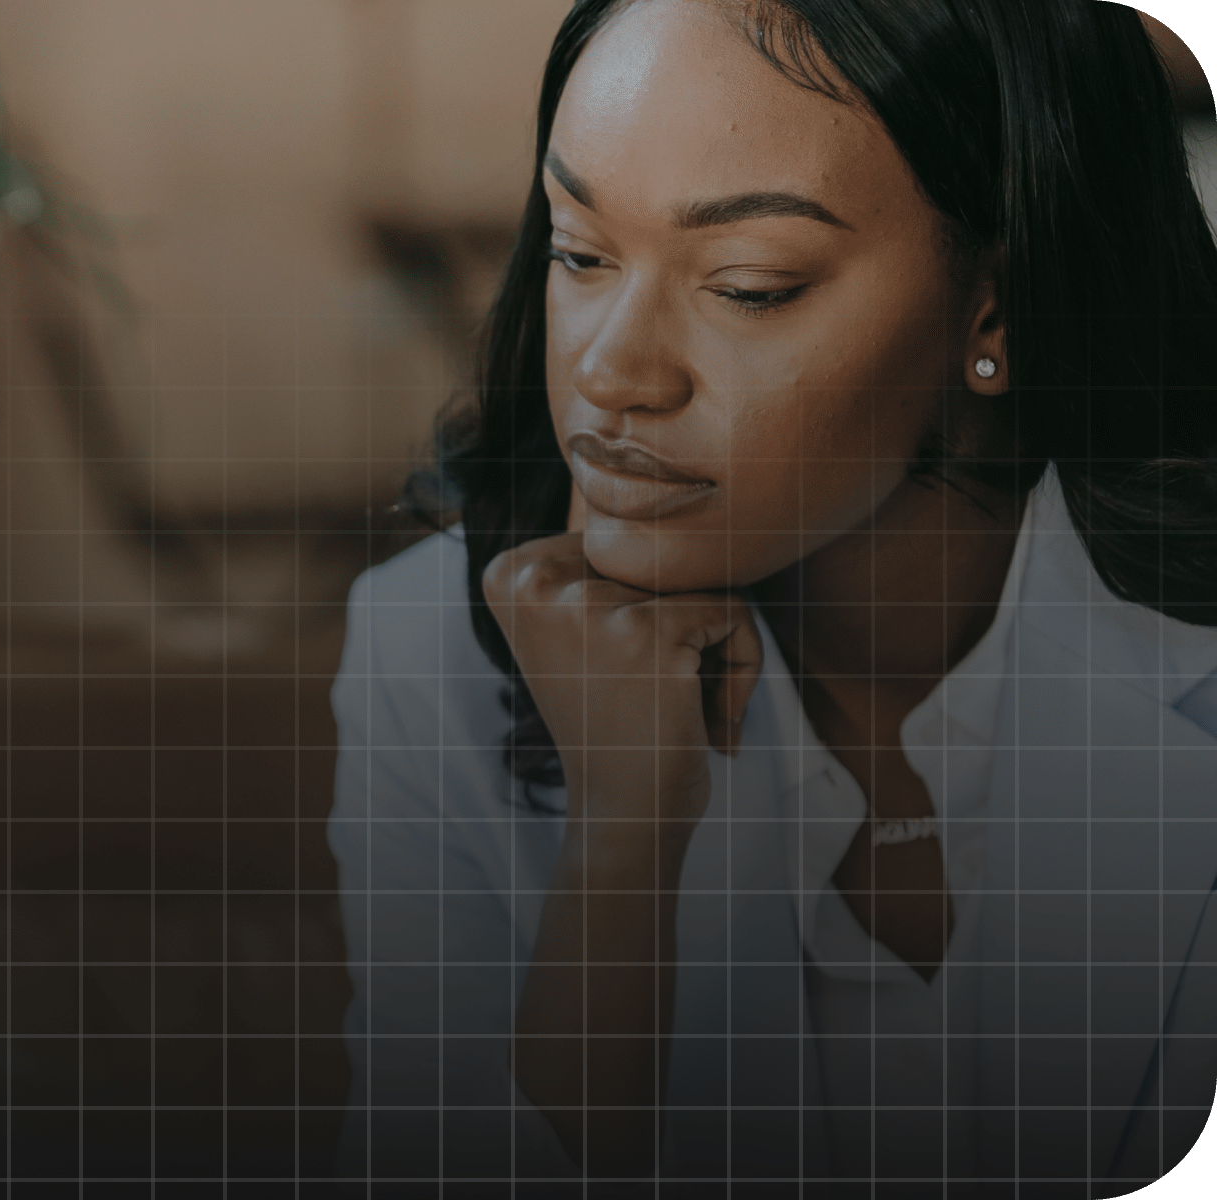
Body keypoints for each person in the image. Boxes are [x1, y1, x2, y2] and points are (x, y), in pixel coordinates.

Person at [329, 0, 1217, 1190]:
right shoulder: (429, 648)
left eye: (748, 285)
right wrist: (620, 848)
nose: (610, 371)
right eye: (579, 253)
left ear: (996, 307)